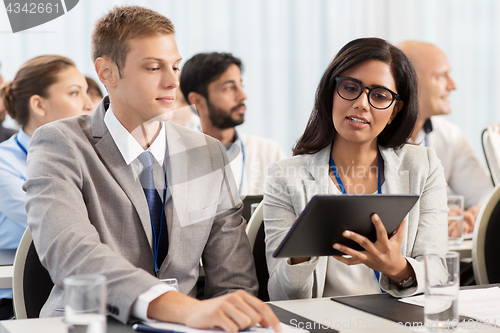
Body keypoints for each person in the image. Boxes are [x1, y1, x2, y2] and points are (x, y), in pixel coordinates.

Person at [23, 6, 280, 332]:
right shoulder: (60, 143)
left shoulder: (208, 153)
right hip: (92, 324)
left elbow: (234, 278)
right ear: (106, 73)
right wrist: (182, 308)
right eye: (154, 67)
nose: (174, 81)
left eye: (175, 66)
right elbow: (71, 254)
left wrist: (232, 320)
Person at [264, 37, 448, 300]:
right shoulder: (284, 177)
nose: (362, 103)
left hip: (399, 322)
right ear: (331, 94)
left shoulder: (423, 166)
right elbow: (281, 297)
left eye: (379, 96)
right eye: (350, 88)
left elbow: (440, 273)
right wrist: (299, 256)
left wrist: (396, 268)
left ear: (395, 110)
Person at [0, 55, 92, 320]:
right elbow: (57, 221)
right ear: (39, 105)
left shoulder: (88, 157)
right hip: (16, 304)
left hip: (83, 292)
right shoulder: (3, 162)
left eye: (87, 92)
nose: (89, 104)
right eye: (75, 93)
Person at [398, 41, 493, 234]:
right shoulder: (370, 135)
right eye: (441, 76)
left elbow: (485, 195)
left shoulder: (450, 136)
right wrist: (436, 216)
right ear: (409, 82)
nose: (453, 86)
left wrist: (476, 214)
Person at [180, 53, 287, 196]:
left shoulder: (269, 152)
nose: (243, 96)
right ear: (197, 101)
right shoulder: (174, 159)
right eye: (229, 88)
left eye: (241, 85)